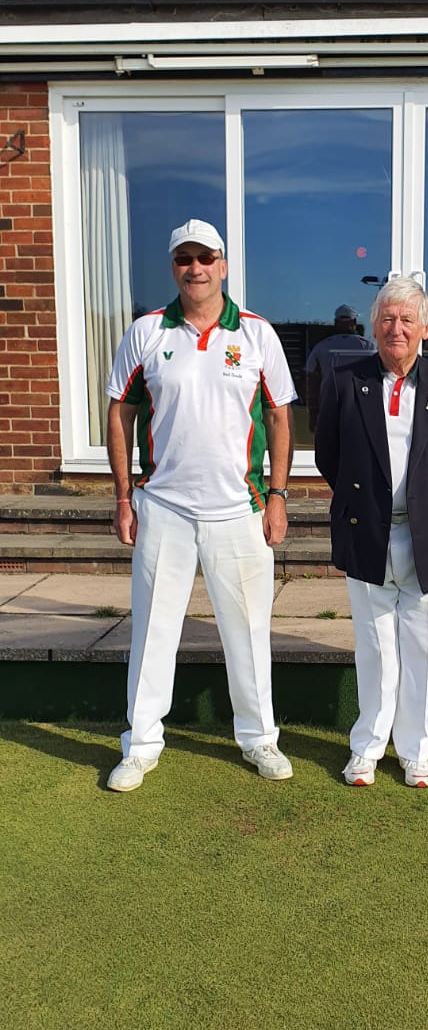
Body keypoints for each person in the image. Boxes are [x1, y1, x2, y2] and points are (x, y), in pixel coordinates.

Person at [105, 218, 297, 792]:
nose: (196, 269)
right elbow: (120, 413)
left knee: (248, 633)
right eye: (184, 259)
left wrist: (279, 495)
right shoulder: (146, 332)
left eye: (205, 258)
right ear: (173, 267)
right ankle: (140, 745)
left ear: (224, 265)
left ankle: (260, 739)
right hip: (162, 507)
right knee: (153, 632)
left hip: (239, 509)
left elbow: (280, 416)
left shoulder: (258, 335)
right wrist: (122, 496)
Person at [315, 277, 428, 788]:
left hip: (425, 532)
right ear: (372, 325)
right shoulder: (344, 379)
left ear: (425, 326)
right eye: (387, 319)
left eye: (407, 319)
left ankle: (415, 753)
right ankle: (367, 748)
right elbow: (328, 456)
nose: (396, 329)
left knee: (424, 645)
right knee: (375, 644)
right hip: (368, 531)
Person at [305, 303, 373, 430]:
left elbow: (311, 380)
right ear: (354, 322)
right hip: (360, 407)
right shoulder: (368, 346)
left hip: (329, 406)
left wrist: (313, 416)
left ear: (335, 322)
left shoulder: (321, 347)